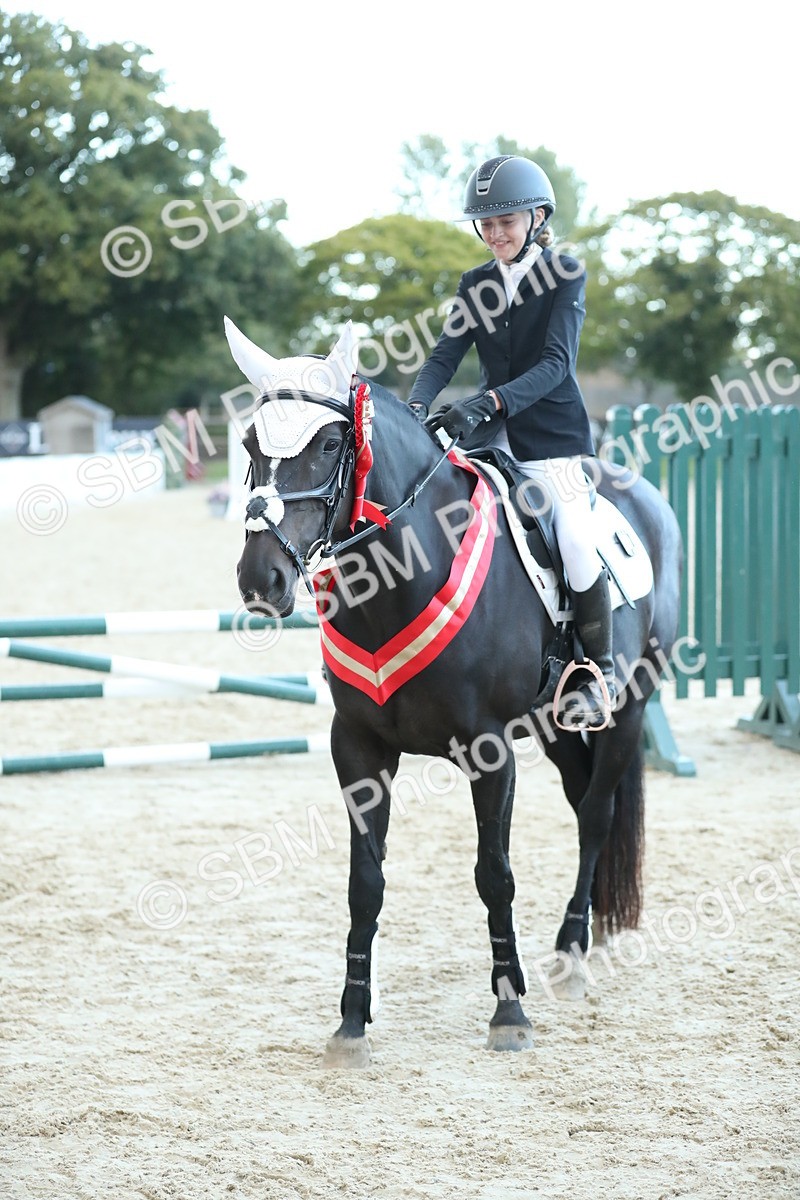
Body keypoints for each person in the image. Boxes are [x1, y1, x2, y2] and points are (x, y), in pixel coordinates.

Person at [408, 154, 615, 730]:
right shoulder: (475, 283)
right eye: (487, 224)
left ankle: (596, 673)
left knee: (574, 538)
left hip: (555, 440)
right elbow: (446, 354)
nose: (496, 233)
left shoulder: (564, 273)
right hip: (488, 442)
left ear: (537, 217)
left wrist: (491, 401)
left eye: (507, 221)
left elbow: (556, 364)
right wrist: (417, 406)